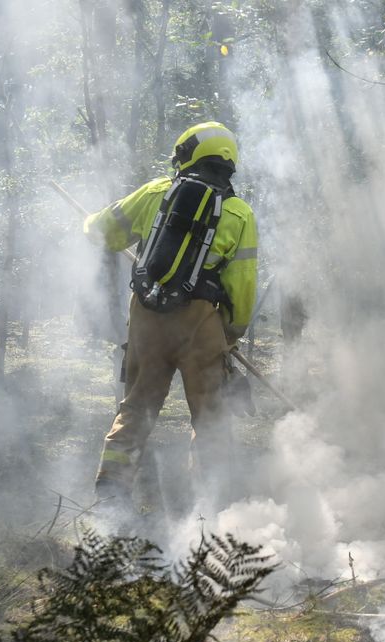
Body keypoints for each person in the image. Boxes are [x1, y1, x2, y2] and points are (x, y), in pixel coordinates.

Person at [82, 121, 258, 506]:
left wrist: (90, 222)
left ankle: (111, 498)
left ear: (189, 154)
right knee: (210, 419)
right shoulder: (240, 213)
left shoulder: (156, 192)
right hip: (201, 325)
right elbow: (241, 285)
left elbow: (101, 232)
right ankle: (211, 509)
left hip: (147, 318)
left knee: (136, 409)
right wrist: (231, 333)